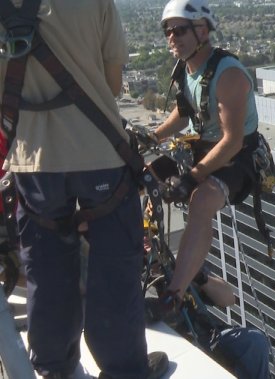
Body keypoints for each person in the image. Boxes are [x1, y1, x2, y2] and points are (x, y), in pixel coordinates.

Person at [0, 1, 168, 378]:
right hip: (100, 155)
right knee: (114, 270)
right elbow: (112, 83)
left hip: (35, 162)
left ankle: (56, 368)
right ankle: (124, 368)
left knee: (46, 270)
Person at [144, 0, 262, 320]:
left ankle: (174, 296)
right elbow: (183, 115)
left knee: (202, 200)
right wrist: (152, 138)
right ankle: (143, 253)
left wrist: (192, 177)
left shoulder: (229, 75)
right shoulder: (186, 69)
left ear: (202, 30)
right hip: (201, 146)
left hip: (237, 156)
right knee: (140, 176)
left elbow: (232, 140)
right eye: (168, 31)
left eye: (179, 30)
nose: (172, 37)